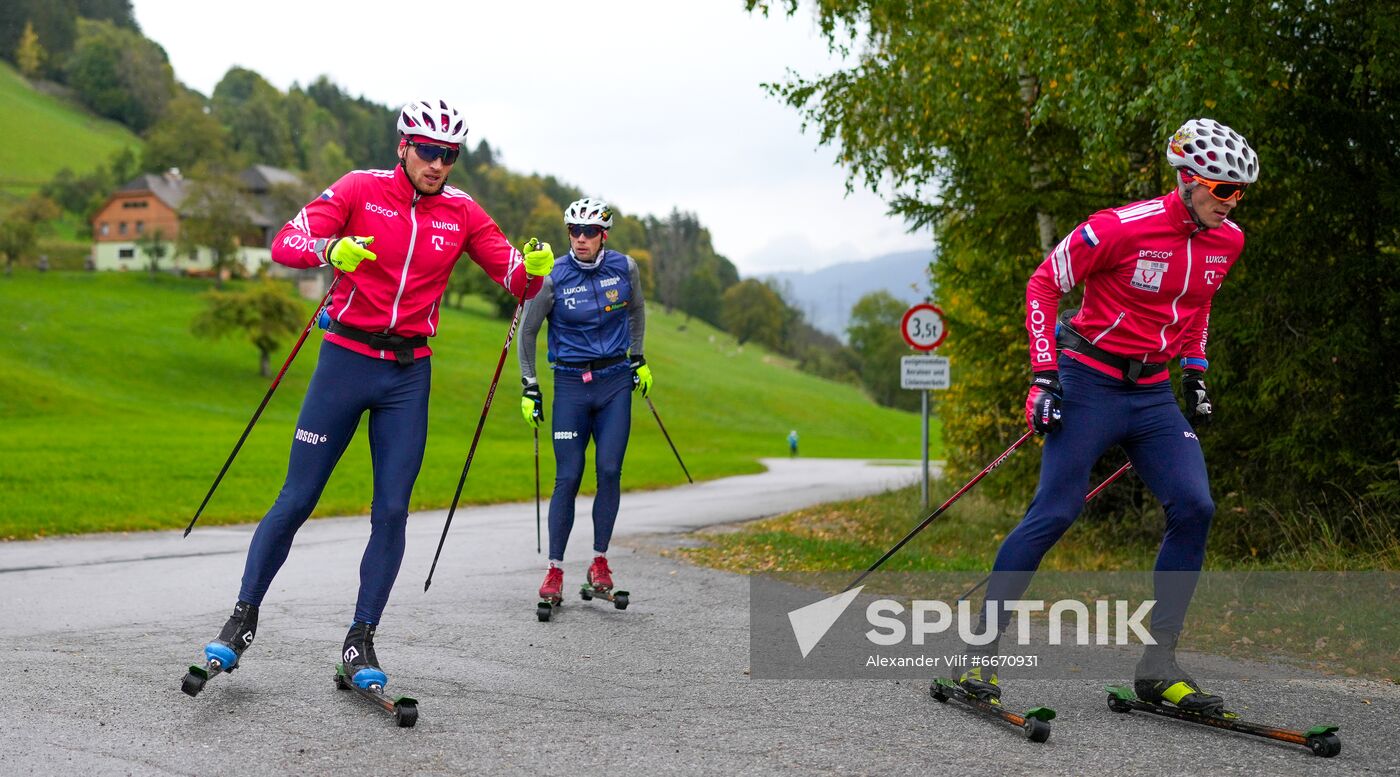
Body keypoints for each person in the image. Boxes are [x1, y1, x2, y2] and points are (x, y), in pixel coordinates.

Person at [195, 99, 554, 691]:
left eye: (449, 154)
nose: (439, 164)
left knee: (391, 511)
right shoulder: (359, 189)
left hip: (407, 375)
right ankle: (241, 619)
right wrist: (327, 250)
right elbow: (286, 241)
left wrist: (535, 269)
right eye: (428, 151)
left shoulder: (462, 212)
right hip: (345, 362)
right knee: (298, 497)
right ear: (403, 147)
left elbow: (516, 280)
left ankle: (360, 641)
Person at [956, 118, 1258, 713]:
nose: (1232, 203)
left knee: (1195, 506)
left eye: (1239, 192)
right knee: (1055, 512)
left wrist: (1195, 371)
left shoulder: (1229, 240)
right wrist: (1044, 376)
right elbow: (1043, 284)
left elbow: (1196, 307)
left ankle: (1159, 665)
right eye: (1224, 190)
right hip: (1088, 380)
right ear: (1189, 180)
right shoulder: (1116, 229)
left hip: (1151, 394)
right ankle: (980, 658)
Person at [518, 197, 648, 605]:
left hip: (614, 382)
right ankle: (555, 569)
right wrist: (530, 385)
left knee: (609, 470)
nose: (580, 239)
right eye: (573, 230)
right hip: (571, 384)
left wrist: (639, 357)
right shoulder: (553, 276)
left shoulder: (625, 268)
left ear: (603, 235)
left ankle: (599, 562)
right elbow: (527, 331)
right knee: (568, 476)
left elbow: (637, 310)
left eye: (589, 231)